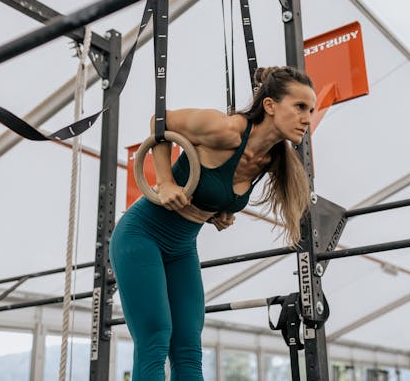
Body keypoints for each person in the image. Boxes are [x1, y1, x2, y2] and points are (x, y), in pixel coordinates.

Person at [109, 66, 316, 380]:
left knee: (189, 347)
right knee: (156, 337)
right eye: (300, 107)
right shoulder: (227, 130)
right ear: (270, 105)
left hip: (181, 248)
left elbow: (214, 186)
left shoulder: (272, 159)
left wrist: (216, 210)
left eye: (310, 110)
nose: (307, 117)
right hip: (141, 236)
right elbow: (159, 122)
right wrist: (164, 182)